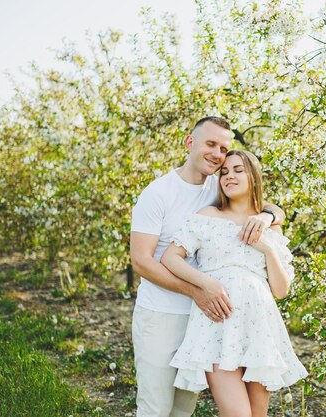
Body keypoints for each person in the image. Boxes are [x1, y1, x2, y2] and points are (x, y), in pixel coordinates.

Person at [130, 116, 284, 417]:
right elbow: (142, 261)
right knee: (156, 406)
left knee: (183, 408)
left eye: (224, 148)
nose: (217, 154)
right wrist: (198, 290)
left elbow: (262, 203)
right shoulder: (158, 193)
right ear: (190, 142)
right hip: (162, 314)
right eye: (210, 144)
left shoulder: (219, 186)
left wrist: (268, 218)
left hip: (203, 319)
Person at [161, 150, 307, 417]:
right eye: (224, 172)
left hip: (259, 328)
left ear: (253, 176)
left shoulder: (269, 225)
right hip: (217, 326)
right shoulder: (207, 216)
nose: (229, 176)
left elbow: (281, 290)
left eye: (238, 170)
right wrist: (205, 283)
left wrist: (268, 250)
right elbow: (171, 258)